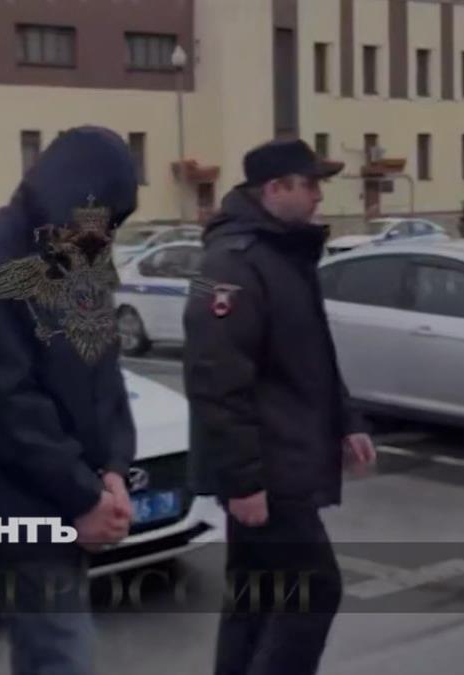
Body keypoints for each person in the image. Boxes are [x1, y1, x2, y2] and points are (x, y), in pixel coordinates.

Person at [0, 127, 139, 675]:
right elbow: (7, 401)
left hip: (65, 491)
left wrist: (114, 468)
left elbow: (104, 372)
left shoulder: (79, 258)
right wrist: (83, 498)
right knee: (62, 652)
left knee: (53, 650)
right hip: (7, 498)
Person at [183, 138, 378, 675]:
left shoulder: (283, 253)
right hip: (268, 465)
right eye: (309, 184)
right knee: (314, 590)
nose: (319, 196)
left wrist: (346, 420)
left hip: (281, 457)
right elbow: (216, 380)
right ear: (274, 189)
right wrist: (244, 480)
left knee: (257, 596)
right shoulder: (235, 262)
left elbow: (310, 352)